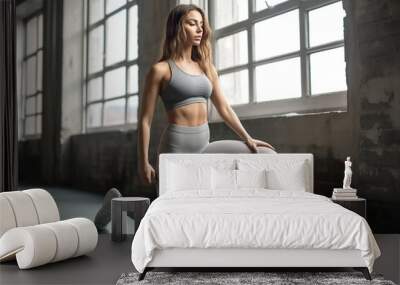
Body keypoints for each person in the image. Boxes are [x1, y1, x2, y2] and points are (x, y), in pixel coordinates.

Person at [137, 4, 275, 187]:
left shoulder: (207, 68)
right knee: (177, 211)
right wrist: (143, 162)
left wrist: (247, 138)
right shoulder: (161, 70)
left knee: (266, 154)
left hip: (204, 147)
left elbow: (224, 108)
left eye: (201, 24)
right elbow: (145, 120)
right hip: (175, 150)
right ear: (177, 27)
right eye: (192, 23)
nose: (199, 29)